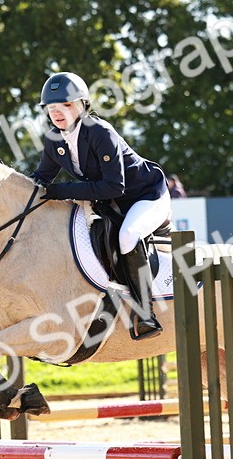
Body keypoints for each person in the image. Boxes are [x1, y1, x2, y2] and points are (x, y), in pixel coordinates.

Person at [30, 71, 170, 339]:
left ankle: (145, 314)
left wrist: (61, 191)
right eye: (51, 107)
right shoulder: (53, 140)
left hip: (145, 196)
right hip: (111, 205)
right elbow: (40, 179)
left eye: (66, 105)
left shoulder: (99, 132)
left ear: (82, 105)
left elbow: (114, 186)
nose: (57, 112)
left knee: (127, 236)